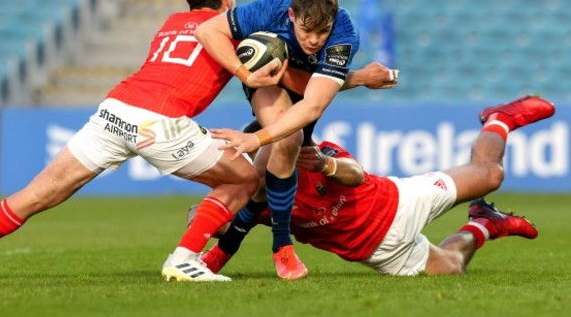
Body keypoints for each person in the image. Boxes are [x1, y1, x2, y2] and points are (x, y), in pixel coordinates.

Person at [0, 0, 287, 283]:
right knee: (243, 178)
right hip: (159, 120)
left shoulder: (170, 24)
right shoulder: (232, 32)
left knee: (39, 192)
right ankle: (184, 258)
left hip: (114, 110)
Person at [192, 95, 555, 276]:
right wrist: (209, 220)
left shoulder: (311, 155)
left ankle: (499, 120)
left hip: (397, 202)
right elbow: (211, 219)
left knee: (491, 174)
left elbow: (357, 174)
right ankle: (485, 222)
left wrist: (326, 164)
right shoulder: (259, 194)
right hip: (376, 252)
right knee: (452, 267)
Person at [194, 0, 364, 280]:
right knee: (289, 139)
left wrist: (254, 138)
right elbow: (207, 31)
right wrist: (245, 74)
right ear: (290, 15)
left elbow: (312, 104)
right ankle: (282, 247)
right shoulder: (272, 7)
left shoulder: (344, 35)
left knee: (263, 180)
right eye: (305, 31)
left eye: (321, 33)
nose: (313, 41)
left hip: (307, 93)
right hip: (268, 85)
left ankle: (225, 247)